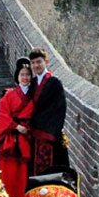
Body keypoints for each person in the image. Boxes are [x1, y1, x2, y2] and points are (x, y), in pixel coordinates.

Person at [0, 57, 34, 197]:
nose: (25, 78)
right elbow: (3, 115)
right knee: (10, 172)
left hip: (28, 136)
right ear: (17, 76)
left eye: (28, 74)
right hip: (12, 136)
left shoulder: (35, 95)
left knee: (25, 172)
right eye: (22, 74)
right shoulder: (9, 95)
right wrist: (16, 126)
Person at [28, 48, 69, 176]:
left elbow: (60, 109)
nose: (36, 65)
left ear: (46, 62)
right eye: (33, 63)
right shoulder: (32, 83)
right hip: (34, 135)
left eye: (39, 62)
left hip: (50, 135)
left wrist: (52, 132)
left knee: (52, 171)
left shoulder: (55, 83)